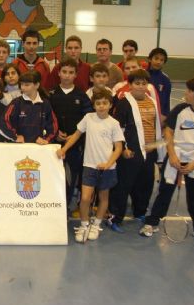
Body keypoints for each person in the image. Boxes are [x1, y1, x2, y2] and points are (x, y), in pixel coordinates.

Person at [140, 77, 194, 245]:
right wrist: (172, 156)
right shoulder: (181, 109)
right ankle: (152, 223)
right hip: (175, 157)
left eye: (189, 91)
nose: (186, 93)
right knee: (164, 193)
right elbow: (169, 132)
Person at [57, 88, 124, 243]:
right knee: (85, 198)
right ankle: (84, 224)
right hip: (89, 166)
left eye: (105, 103)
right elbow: (76, 134)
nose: (101, 106)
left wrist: (108, 163)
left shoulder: (114, 124)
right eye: (98, 103)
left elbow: (119, 147)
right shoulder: (88, 118)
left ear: (110, 105)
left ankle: (97, 224)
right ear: (94, 105)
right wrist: (64, 148)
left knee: (103, 197)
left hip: (107, 167)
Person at [108, 69, 164, 233]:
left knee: (145, 183)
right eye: (137, 83)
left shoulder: (151, 101)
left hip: (150, 150)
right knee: (124, 185)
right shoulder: (124, 103)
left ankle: (140, 211)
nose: (141, 87)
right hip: (131, 151)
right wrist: (123, 148)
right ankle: (115, 217)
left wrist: (158, 150)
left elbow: (156, 127)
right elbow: (118, 128)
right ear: (130, 85)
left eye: (144, 83)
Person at [49, 58, 93, 207]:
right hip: (54, 145)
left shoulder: (82, 96)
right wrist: (54, 133)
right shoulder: (51, 94)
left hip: (75, 146)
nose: (67, 75)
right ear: (59, 73)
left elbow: (88, 120)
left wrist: (75, 134)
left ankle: (65, 208)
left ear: (76, 75)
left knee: (70, 178)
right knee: (53, 177)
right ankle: (53, 206)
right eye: (64, 72)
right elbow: (46, 118)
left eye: (71, 73)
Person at [0, 71, 57, 144]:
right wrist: (15, 137)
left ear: (37, 85)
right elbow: (3, 122)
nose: (23, 87)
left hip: (39, 148)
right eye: (22, 84)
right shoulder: (16, 103)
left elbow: (53, 125)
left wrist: (46, 139)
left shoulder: (45, 104)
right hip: (19, 147)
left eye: (27, 85)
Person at [147, 47, 171, 123]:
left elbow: (166, 101)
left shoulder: (165, 79)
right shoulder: (142, 75)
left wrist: (164, 115)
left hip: (158, 116)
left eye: (161, 60)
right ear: (150, 59)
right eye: (156, 58)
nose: (158, 62)